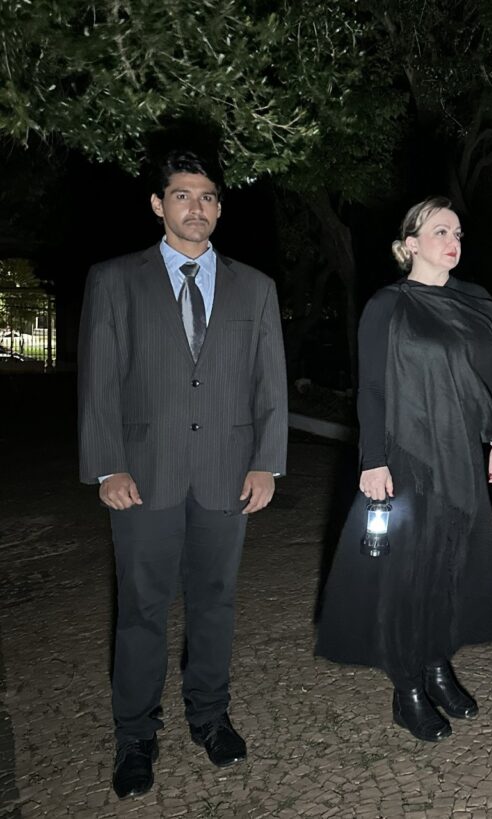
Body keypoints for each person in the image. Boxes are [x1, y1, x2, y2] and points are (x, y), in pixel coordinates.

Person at [78, 150, 288, 798]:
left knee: (216, 604)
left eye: (206, 197)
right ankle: (135, 736)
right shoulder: (116, 279)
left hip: (227, 475)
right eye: (181, 195)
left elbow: (270, 385)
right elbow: (99, 380)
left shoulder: (255, 287)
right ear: (158, 204)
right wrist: (107, 464)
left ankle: (209, 716)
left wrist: (266, 462)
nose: (195, 208)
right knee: (141, 609)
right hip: (144, 474)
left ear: (219, 207)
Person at [316, 197, 492, 743]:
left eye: (458, 231)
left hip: (460, 460)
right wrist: (373, 460)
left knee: (451, 567)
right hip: (407, 457)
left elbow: (491, 377)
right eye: (439, 230)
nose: (453, 240)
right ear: (409, 245)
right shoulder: (388, 305)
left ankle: (437, 665)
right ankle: (407, 688)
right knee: (407, 573)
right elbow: (373, 388)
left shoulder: (476, 303)